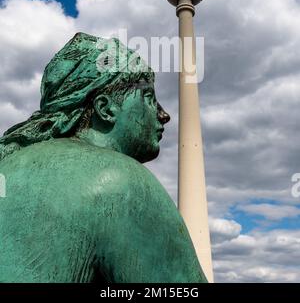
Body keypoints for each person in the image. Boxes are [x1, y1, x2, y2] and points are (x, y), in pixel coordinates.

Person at [0, 32, 207, 283]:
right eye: (149, 99)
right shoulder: (120, 183)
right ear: (106, 108)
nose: (164, 115)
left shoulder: (8, 166)